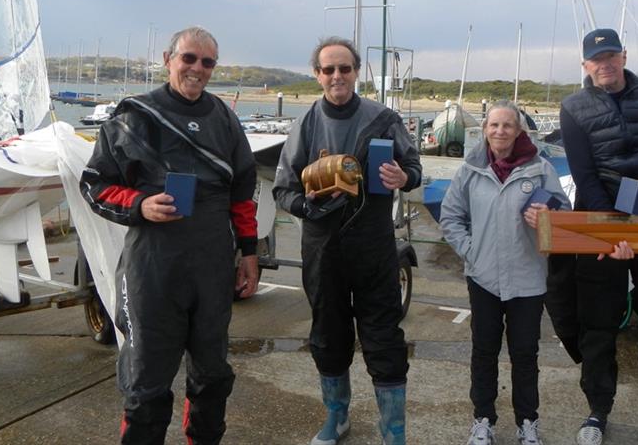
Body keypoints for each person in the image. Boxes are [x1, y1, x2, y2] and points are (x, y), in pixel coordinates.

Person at [80, 26, 260, 445]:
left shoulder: (225, 120)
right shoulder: (133, 117)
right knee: (146, 383)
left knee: (213, 376)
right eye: (189, 59)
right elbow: (94, 184)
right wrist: (140, 205)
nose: (197, 69)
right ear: (168, 59)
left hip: (212, 266)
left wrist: (249, 254)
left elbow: (243, 196)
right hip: (153, 268)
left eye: (207, 62)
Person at [272, 36, 421, 445]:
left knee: (385, 339)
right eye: (328, 69)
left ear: (356, 72)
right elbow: (283, 190)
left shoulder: (383, 118)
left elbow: (413, 166)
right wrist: (309, 205)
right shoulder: (304, 124)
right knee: (328, 335)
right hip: (323, 248)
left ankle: (393, 431)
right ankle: (336, 418)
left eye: (345, 68)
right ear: (317, 75)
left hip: (374, 246)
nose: (337, 76)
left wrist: (403, 178)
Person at [548, 28, 638, 445]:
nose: (604, 64)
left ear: (624, 56)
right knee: (597, 325)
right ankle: (597, 411)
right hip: (601, 224)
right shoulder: (573, 108)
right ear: (585, 65)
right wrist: (613, 231)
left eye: (611, 55)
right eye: (596, 58)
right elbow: (585, 176)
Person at [439, 100, 571, 445]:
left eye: (507, 126)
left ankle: (528, 422)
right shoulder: (470, 170)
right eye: (494, 125)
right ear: (485, 130)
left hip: (527, 280)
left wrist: (548, 217)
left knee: (525, 354)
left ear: (519, 131)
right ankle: (483, 419)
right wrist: (471, 251)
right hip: (483, 278)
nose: (500, 131)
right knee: (483, 351)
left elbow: (564, 213)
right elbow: (450, 217)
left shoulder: (541, 170)